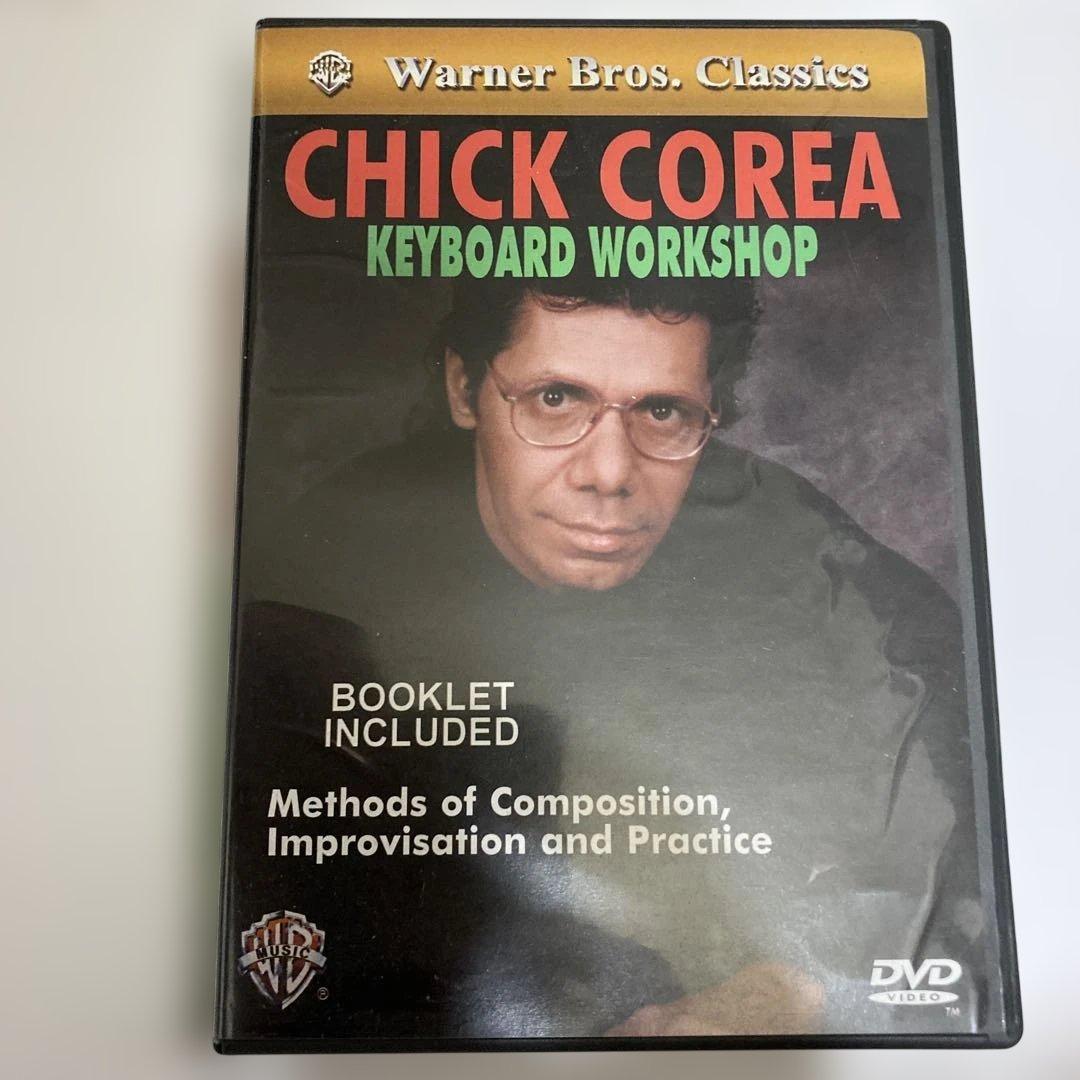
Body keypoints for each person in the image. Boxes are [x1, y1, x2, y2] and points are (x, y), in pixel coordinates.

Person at [230, 276, 986, 1040]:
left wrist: (792, 988)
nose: (611, 473)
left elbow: (957, 828)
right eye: (556, 399)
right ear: (464, 388)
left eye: (662, 411)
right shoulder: (311, 590)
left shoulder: (815, 568)